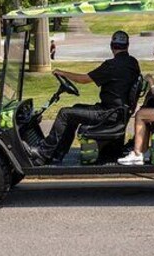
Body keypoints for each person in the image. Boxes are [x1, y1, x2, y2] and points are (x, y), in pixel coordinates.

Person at [26, 31, 140, 165]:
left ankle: (44, 151)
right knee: (74, 110)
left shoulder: (111, 65)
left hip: (107, 114)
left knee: (64, 113)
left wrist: (62, 72)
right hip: (117, 112)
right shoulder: (133, 63)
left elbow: (84, 79)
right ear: (127, 45)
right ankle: (58, 153)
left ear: (111, 46)